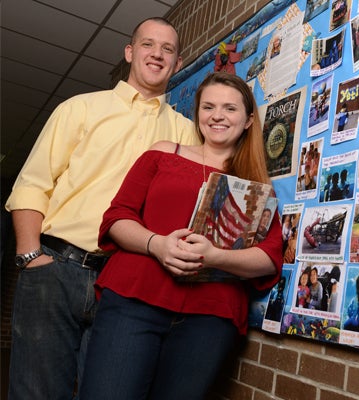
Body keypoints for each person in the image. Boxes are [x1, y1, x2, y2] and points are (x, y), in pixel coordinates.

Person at [4, 17, 200, 399]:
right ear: (129, 52)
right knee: (35, 392)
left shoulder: (186, 133)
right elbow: (32, 184)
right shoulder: (79, 109)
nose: (156, 54)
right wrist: (30, 257)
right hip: (54, 269)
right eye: (147, 44)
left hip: (127, 284)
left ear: (178, 64)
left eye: (168, 49)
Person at [78, 72, 283, 399]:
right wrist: (157, 244)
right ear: (197, 114)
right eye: (208, 107)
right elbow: (117, 217)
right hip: (134, 299)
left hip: (210, 317)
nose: (217, 115)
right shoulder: (163, 153)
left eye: (230, 108)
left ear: (247, 120)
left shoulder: (255, 184)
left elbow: (268, 258)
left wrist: (214, 256)